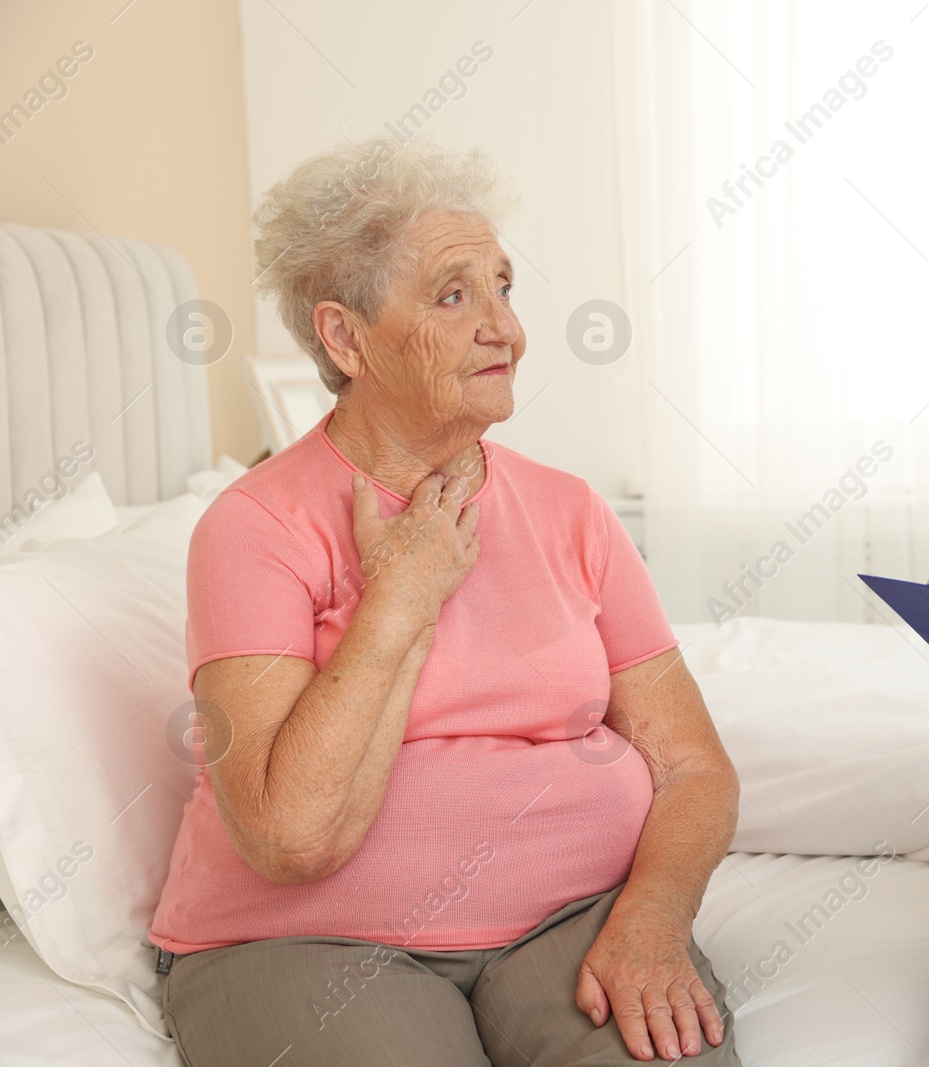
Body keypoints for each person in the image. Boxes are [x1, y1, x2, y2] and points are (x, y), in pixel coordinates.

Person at [149, 136, 741, 1066]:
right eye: (455, 295)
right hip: (307, 940)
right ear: (346, 338)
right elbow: (288, 837)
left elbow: (697, 769)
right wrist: (402, 598)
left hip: (572, 920)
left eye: (505, 288)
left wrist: (654, 918)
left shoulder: (570, 510)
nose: (504, 327)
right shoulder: (252, 527)